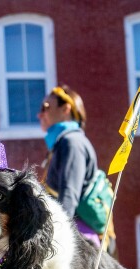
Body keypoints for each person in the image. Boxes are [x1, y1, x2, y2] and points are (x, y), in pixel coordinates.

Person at [37, 85, 107, 248]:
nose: (40, 114)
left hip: (78, 240)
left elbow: (69, 194)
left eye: (46, 107)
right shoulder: (63, 142)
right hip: (75, 232)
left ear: (66, 109)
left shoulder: (72, 142)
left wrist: (58, 237)